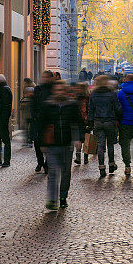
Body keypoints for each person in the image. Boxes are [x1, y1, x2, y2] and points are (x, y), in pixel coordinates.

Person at [40, 80, 86, 210]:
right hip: (52, 144)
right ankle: (52, 199)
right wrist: (42, 143)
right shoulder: (47, 106)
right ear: (54, 91)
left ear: (65, 91)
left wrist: (79, 139)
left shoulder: (71, 105)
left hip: (67, 144)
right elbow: (41, 125)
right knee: (53, 172)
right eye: (57, 90)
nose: (59, 92)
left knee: (66, 173)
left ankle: (63, 197)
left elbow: (79, 123)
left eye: (61, 90)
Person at [87, 74, 122, 177]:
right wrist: (119, 117)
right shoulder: (112, 93)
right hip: (110, 122)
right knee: (110, 144)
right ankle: (111, 164)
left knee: (100, 146)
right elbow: (117, 108)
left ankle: (101, 167)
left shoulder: (93, 94)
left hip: (98, 122)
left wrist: (90, 123)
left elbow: (91, 110)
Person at [30, 70, 55, 173]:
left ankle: (47, 164)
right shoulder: (38, 89)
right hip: (39, 120)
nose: (45, 79)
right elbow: (33, 104)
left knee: (50, 143)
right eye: (43, 77)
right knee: (37, 142)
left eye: (47, 77)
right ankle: (40, 162)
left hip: (51, 120)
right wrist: (35, 116)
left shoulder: (54, 89)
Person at [72, 83, 90, 165]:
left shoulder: (75, 98)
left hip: (77, 121)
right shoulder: (89, 97)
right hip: (86, 121)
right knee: (86, 139)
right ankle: (85, 158)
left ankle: (78, 157)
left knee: (78, 139)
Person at [20, 81, 35, 145]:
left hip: (30, 115)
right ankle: (28, 140)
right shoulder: (25, 99)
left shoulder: (32, 99)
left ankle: (30, 140)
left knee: (30, 128)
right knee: (26, 128)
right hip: (27, 115)